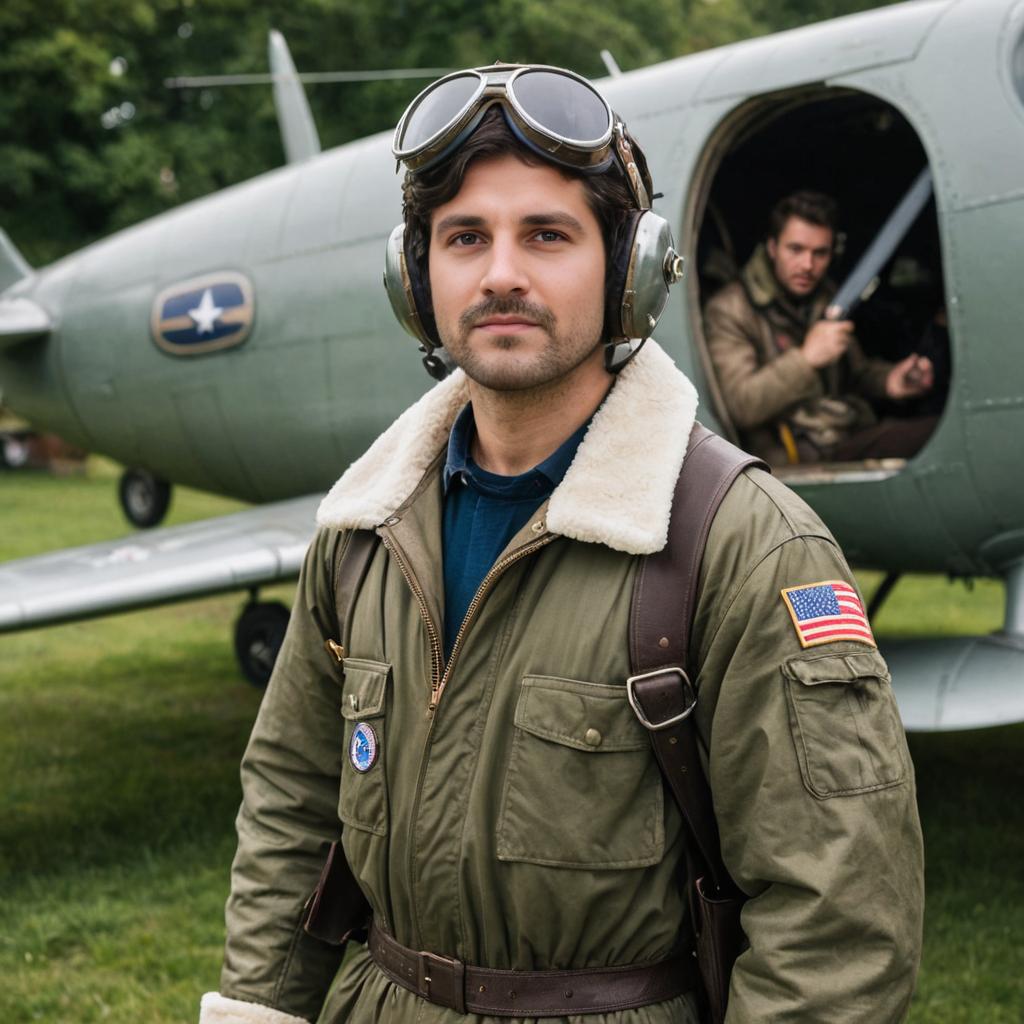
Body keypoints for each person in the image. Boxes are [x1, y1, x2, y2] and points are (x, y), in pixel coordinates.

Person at [200, 66, 924, 1024]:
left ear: (629, 271)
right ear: (415, 280)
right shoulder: (363, 532)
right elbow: (292, 807)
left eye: (547, 234)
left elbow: (837, 920)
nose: (501, 271)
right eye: (464, 238)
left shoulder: (744, 544)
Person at [704, 191, 936, 465]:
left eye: (820, 253)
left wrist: (891, 381)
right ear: (772, 247)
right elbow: (741, 404)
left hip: (840, 432)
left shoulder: (825, 295)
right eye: (796, 249)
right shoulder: (730, 309)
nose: (808, 265)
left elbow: (854, 373)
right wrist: (805, 360)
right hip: (791, 458)